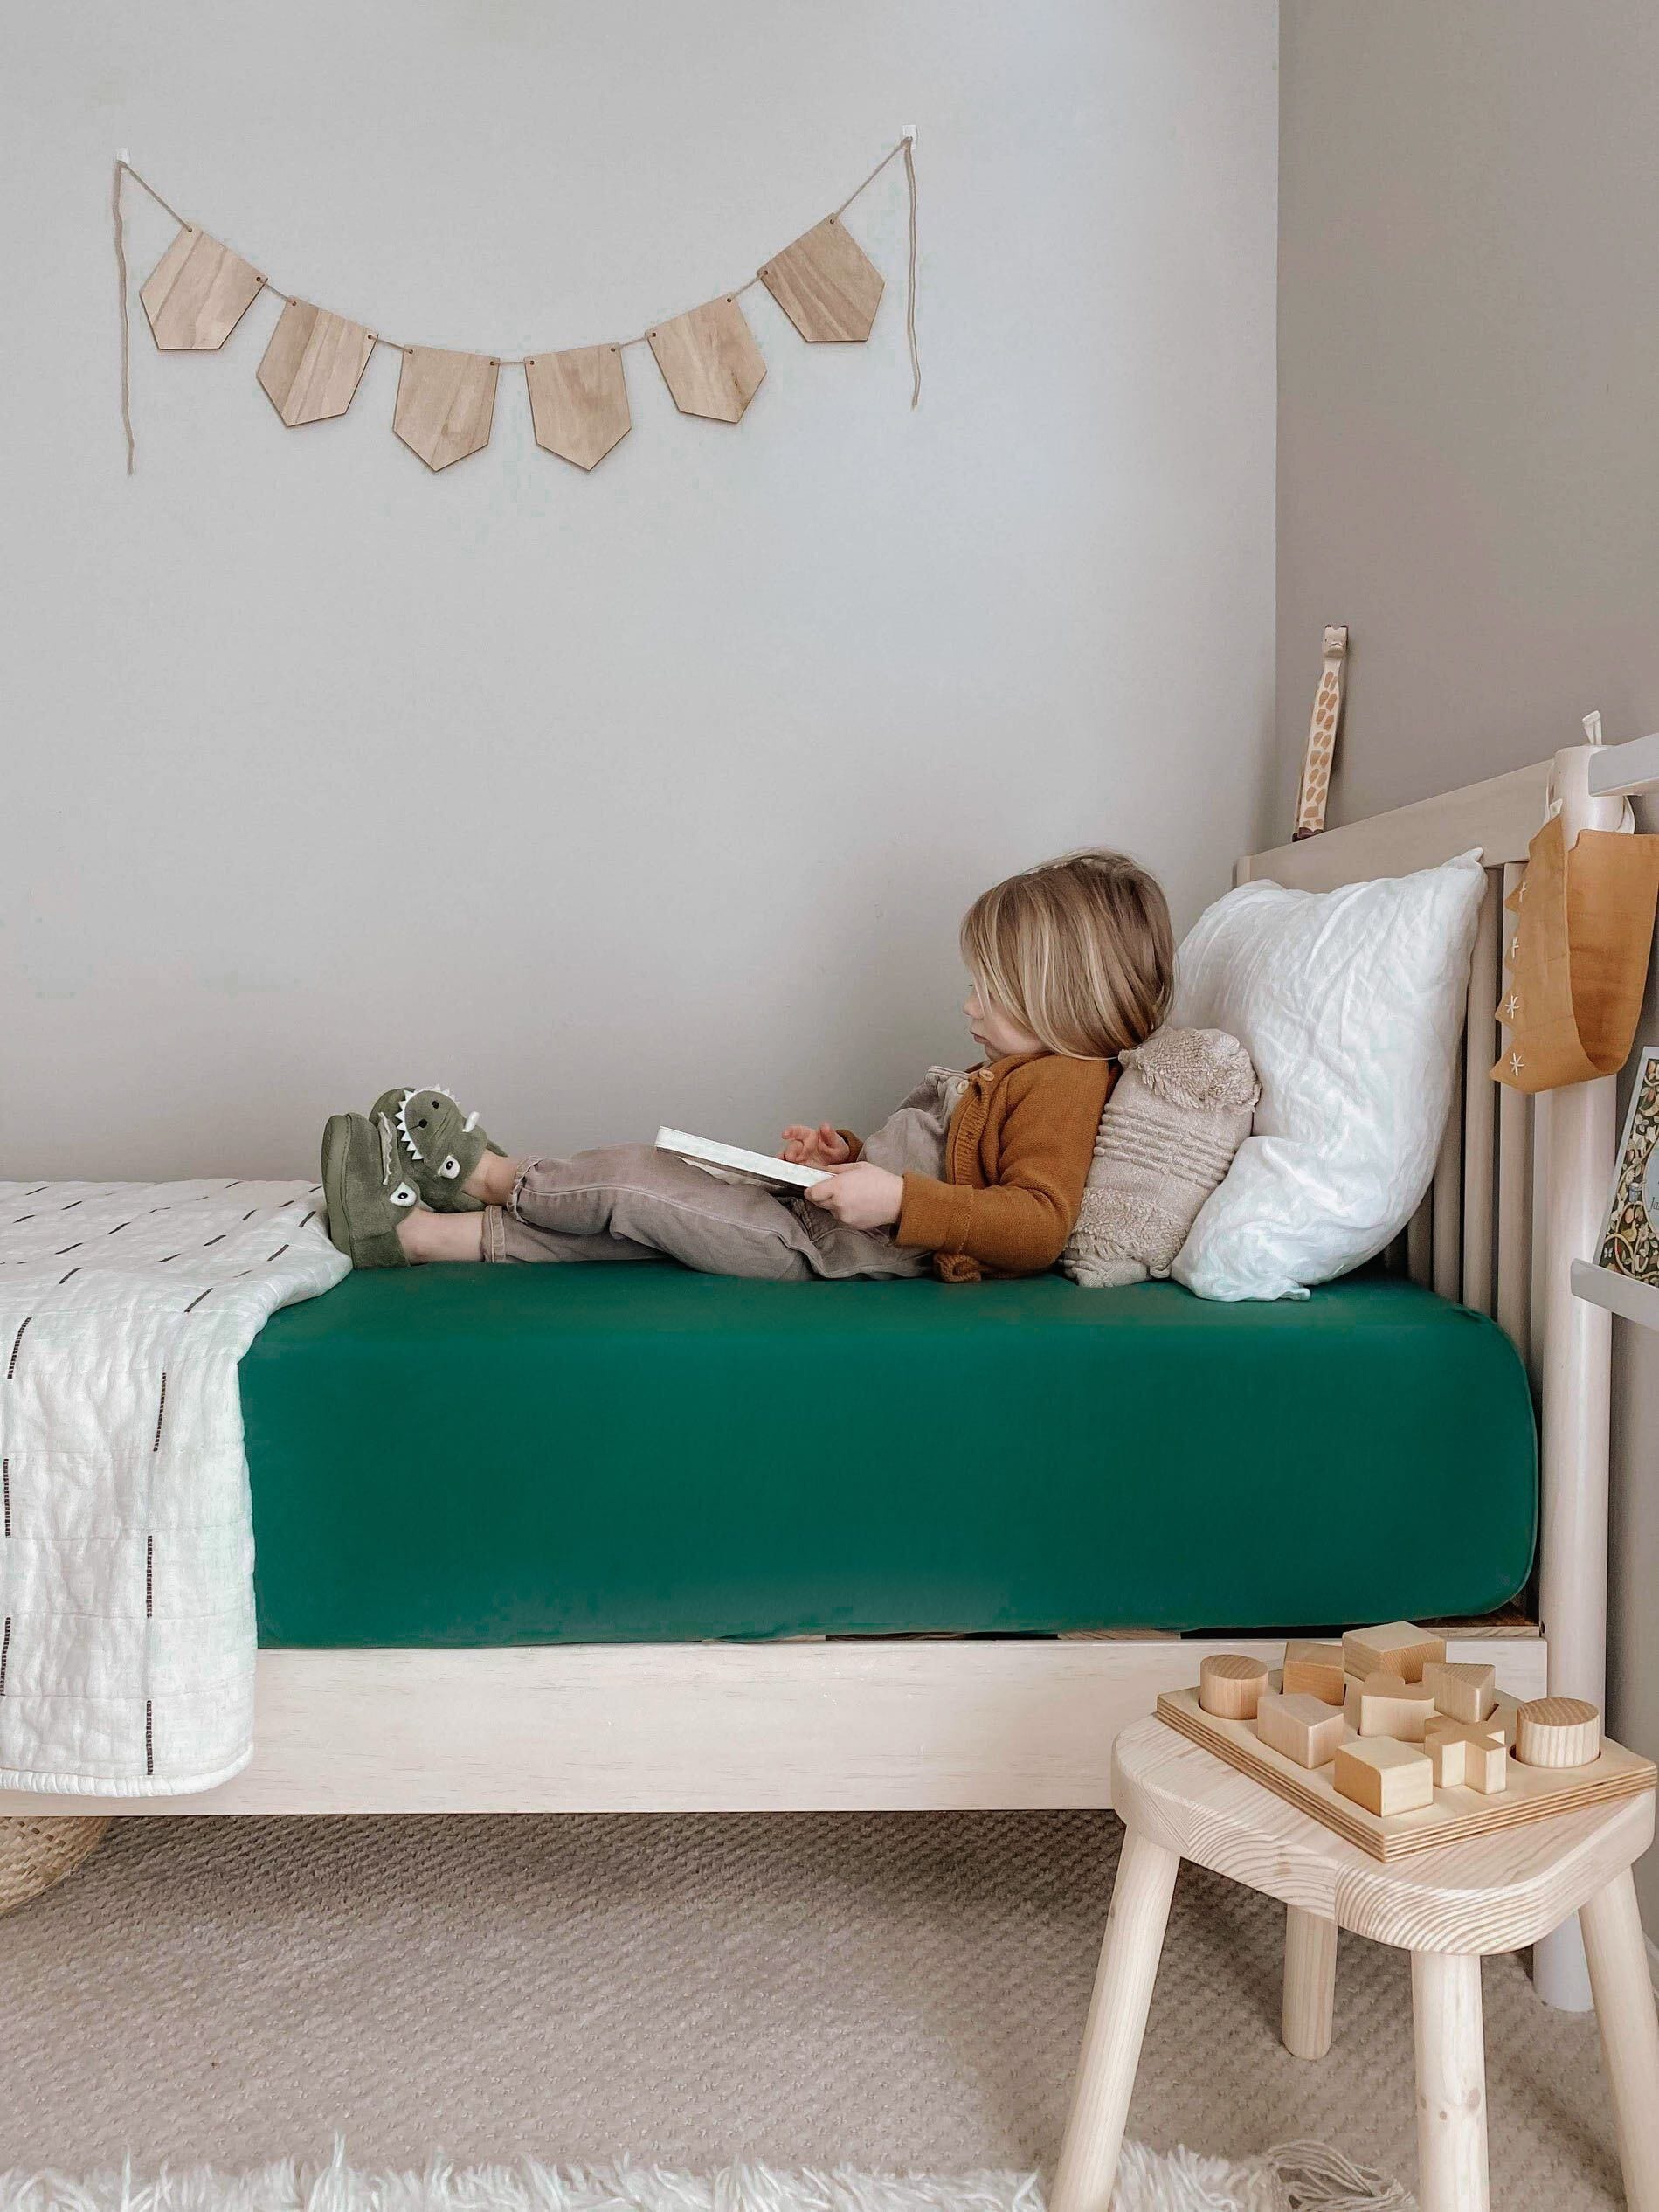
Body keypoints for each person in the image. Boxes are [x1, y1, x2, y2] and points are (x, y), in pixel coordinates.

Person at [321, 849, 1174, 1286]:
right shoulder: (1019, 1071)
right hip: (826, 1216)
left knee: (638, 1183)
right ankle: (418, 1237)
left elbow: (1035, 1224)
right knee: (643, 1225)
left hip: (821, 1248)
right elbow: (959, 1161)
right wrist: (845, 1158)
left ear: (1063, 997)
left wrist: (895, 1200)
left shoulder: (1062, 1083)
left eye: (992, 990)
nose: (970, 1008)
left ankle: (493, 1178)